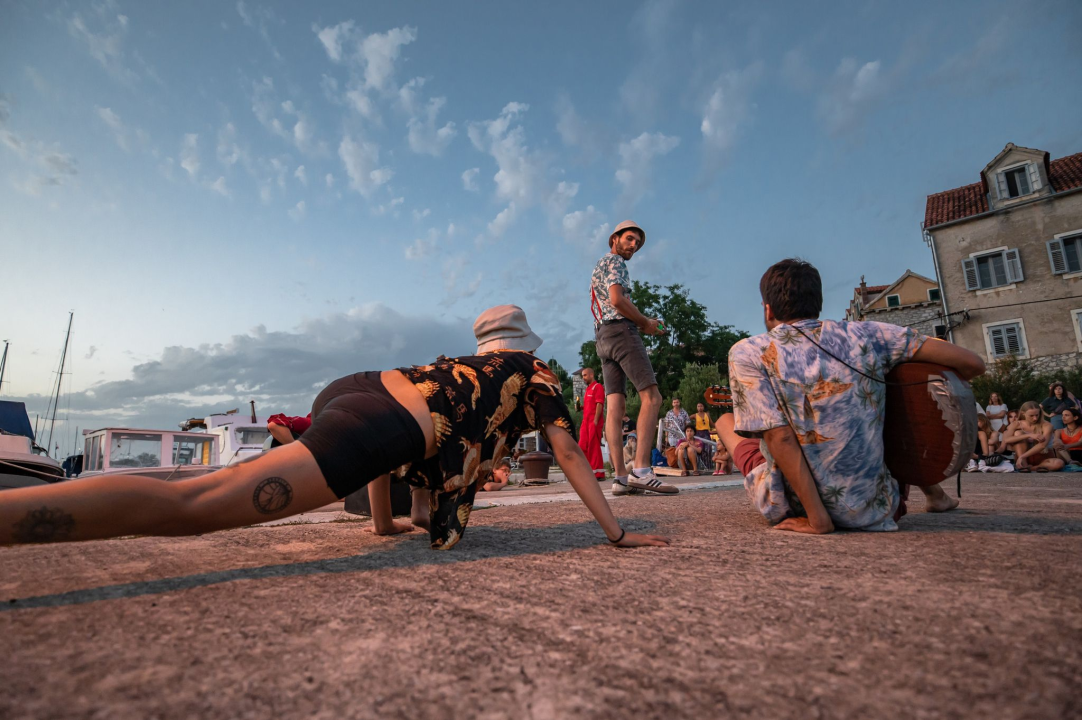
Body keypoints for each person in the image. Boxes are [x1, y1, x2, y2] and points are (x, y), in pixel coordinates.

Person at [0, 305, 670, 551]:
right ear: (526, 343)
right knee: (195, 507)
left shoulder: (454, 367)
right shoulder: (536, 371)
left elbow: (401, 444)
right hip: (377, 424)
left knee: (199, 476)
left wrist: (384, 526)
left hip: (357, 389)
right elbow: (568, 454)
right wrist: (613, 533)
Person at [714, 258, 985, 534]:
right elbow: (973, 364)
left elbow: (780, 437)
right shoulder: (870, 334)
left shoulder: (747, 351)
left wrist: (818, 519)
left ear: (768, 309)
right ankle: (938, 496)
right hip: (873, 509)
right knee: (886, 411)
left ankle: (820, 512)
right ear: (817, 303)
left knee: (725, 422)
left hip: (789, 506)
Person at [590, 220, 677, 496]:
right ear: (614, 238)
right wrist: (644, 323)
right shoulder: (616, 263)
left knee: (615, 407)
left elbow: (606, 303)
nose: (633, 245)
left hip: (602, 337)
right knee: (652, 398)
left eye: (637, 243)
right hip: (621, 331)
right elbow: (617, 300)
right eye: (629, 239)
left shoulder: (599, 266)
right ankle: (641, 470)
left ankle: (621, 478)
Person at [1002, 401, 1064, 472]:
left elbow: (1042, 445)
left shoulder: (1046, 425)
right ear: (1023, 413)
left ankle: (1033, 468)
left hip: (1043, 456)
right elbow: (1007, 440)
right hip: (1023, 458)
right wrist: (1029, 435)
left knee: (1058, 463)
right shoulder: (1016, 424)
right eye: (1031, 416)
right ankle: (1024, 466)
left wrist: (1022, 456)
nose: (1035, 418)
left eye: (1037, 415)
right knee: (1018, 433)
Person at [577, 367, 606, 480]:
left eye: (584, 375)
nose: (583, 378)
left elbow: (599, 404)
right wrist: (581, 407)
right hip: (585, 421)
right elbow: (589, 406)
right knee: (582, 445)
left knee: (593, 446)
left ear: (591, 375)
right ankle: (587, 470)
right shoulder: (588, 389)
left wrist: (595, 420)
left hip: (593, 421)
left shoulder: (597, 387)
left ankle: (598, 474)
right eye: (582, 375)